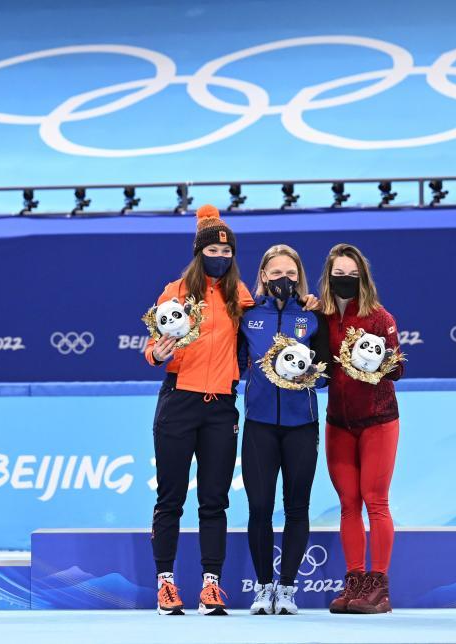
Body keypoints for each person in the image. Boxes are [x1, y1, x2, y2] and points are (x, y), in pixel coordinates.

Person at [144, 204, 253, 616]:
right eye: (213, 252)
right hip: (179, 402)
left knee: (214, 500)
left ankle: (211, 585)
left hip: (222, 407)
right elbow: (151, 348)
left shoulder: (239, 294)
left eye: (227, 254)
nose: (220, 258)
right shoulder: (175, 292)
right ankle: (165, 584)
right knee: (170, 499)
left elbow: (266, 329)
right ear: (198, 252)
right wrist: (157, 352)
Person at [237, 244, 330, 615]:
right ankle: (263, 589)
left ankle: (288, 589)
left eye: (291, 274)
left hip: (301, 426)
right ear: (262, 276)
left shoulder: (312, 317)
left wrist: (309, 374)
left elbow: (325, 376)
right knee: (259, 507)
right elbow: (233, 362)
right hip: (259, 424)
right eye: (276, 273)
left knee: (296, 507)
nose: (284, 280)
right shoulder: (246, 316)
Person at [319, 243, 404, 615]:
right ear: (328, 277)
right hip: (338, 422)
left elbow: (398, 368)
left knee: (375, 500)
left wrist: (380, 364)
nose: (345, 281)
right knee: (348, 504)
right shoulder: (320, 316)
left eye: (351, 275)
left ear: (363, 277)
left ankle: (379, 587)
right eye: (338, 275)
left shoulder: (379, 317)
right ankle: (355, 582)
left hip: (378, 421)